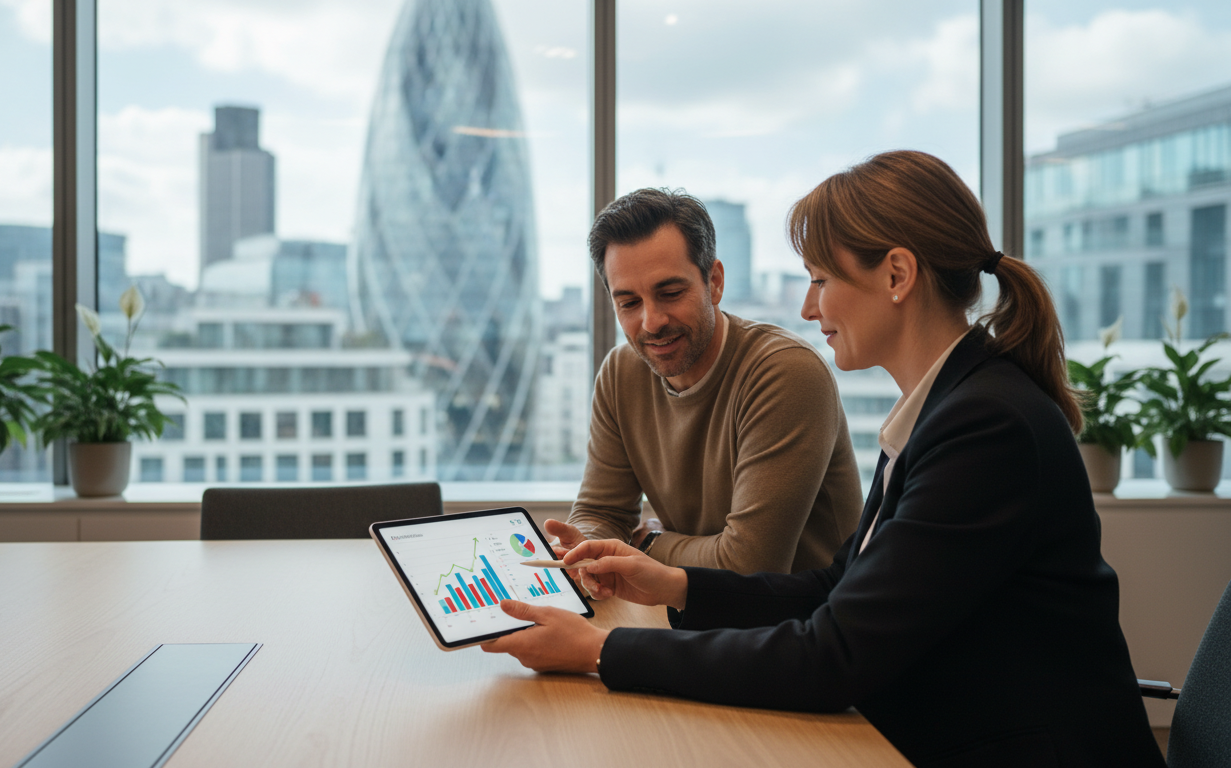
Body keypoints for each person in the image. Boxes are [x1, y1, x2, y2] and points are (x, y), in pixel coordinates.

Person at [485, 152, 1165, 767]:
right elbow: (830, 589)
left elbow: (833, 654)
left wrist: (602, 651)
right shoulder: (947, 407)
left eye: (819, 280)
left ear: (897, 275)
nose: (809, 307)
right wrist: (673, 584)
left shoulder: (985, 427)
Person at [548, 188, 863, 575]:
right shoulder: (621, 373)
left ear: (714, 282)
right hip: (694, 613)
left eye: (670, 292)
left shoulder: (785, 373)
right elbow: (601, 511)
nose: (651, 322)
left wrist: (644, 543)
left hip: (797, 625)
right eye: (629, 303)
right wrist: (587, 545)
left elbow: (749, 567)